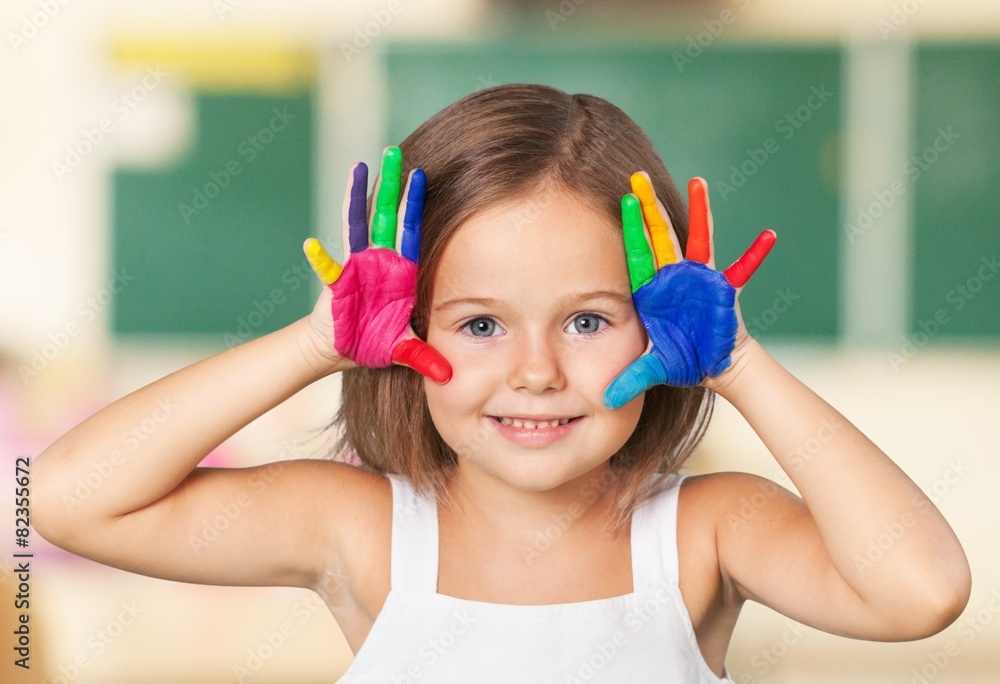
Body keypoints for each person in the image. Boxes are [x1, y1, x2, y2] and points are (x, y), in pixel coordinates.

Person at [33, 84, 970, 682]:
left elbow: (921, 590)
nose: (534, 371)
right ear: (404, 330)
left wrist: (741, 366)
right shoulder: (362, 531)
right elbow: (65, 499)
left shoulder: (705, 533)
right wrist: (315, 340)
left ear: (661, 325)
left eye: (589, 320)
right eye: (480, 324)